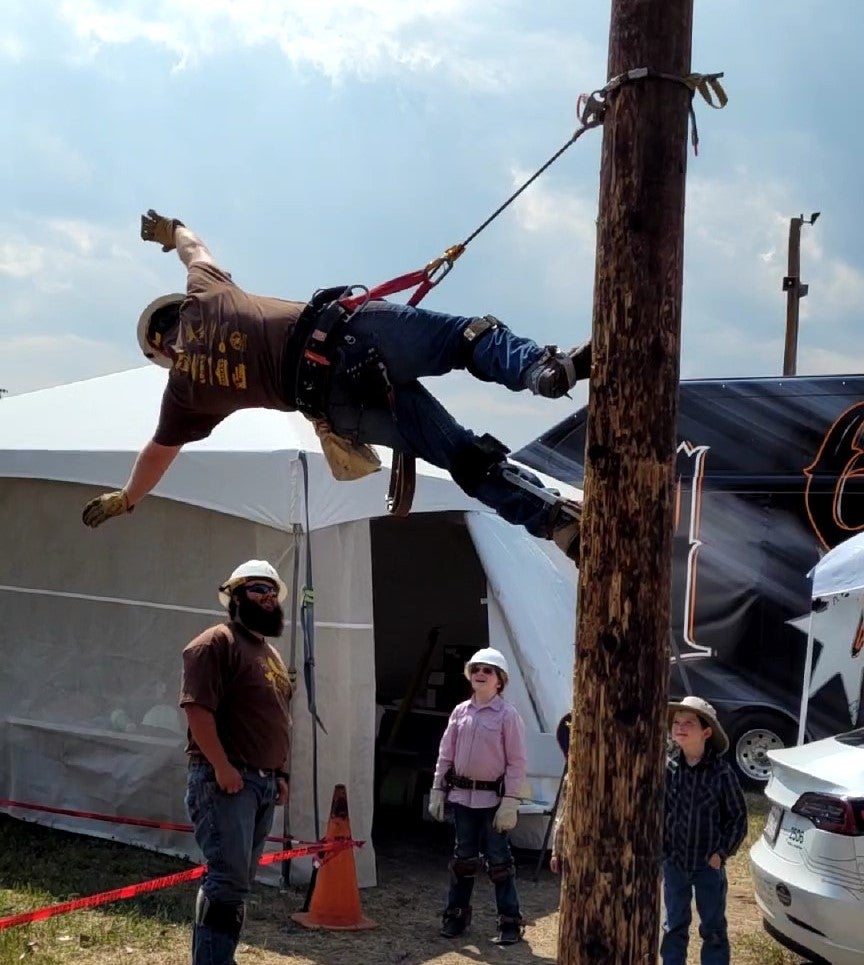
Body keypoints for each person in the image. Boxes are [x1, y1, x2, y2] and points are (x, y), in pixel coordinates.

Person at [80, 209, 587, 560]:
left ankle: (558, 525)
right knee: (467, 339)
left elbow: (156, 455)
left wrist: (126, 499)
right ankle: (541, 371)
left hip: (337, 404)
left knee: (460, 454)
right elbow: (194, 246)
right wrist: (173, 229)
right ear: (174, 309)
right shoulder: (205, 294)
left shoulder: (186, 394)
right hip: (348, 335)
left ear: (160, 351)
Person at [180, 559, 294, 965]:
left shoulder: (271, 655)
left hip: (261, 782)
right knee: (227, 881)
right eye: (256, 589)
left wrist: (280, 773)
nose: (266, 597)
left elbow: (278, 716)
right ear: (234, 596)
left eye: (271, 590)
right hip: (226, 781)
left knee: (237, 883)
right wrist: (223, 768)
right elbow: (197, 709)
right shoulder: (216, 643)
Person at [428, 647, 528, 946]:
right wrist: (437, 789)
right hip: (462, 799)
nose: (480, 675)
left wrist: (510, 801)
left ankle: (510, 922)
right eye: (476, 670)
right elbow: (445, 754)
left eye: (488, 670)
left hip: (493, 802)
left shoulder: (508, 716)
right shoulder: (460, 712)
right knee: (462, 860)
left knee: (499, 862)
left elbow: (517, 762)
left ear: (500, 680)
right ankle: (456, 916)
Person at [662, 696, 748, 965]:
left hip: (707, 864)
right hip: (675, 861)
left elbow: (737, 818)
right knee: (674, 925)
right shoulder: (670, 768)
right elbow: (661, 812)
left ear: (706, 732)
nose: (680, 727)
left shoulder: (721, 773)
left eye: (689, 723)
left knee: (712, 928)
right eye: (676, 722)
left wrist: (720, 854)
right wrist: (664, 852)